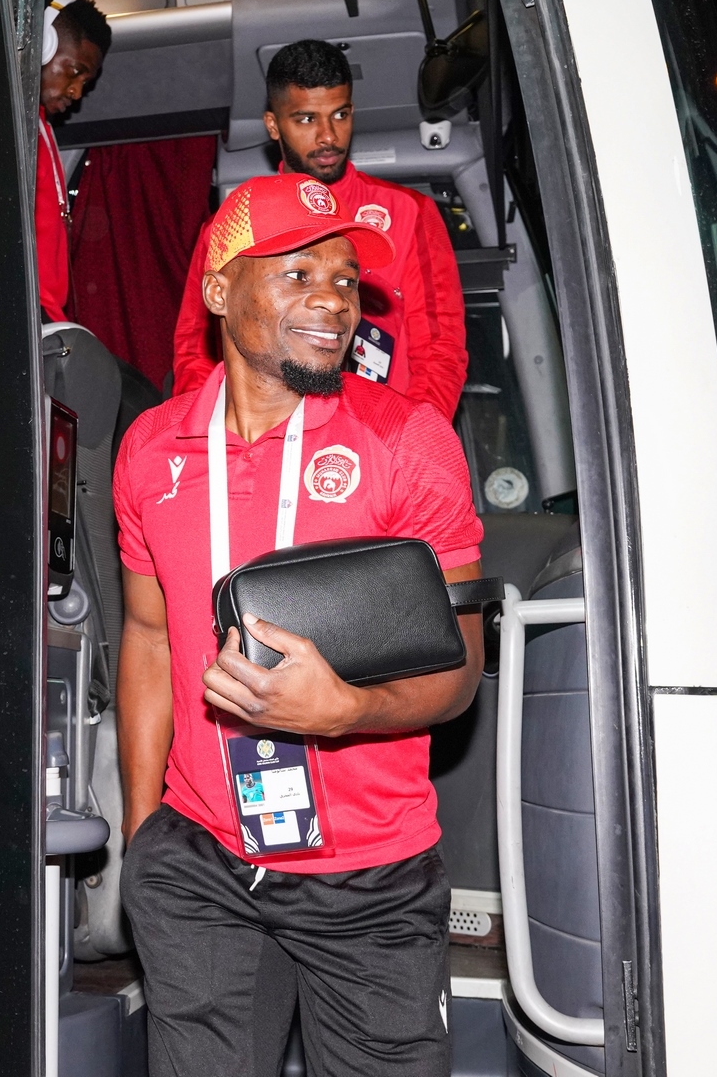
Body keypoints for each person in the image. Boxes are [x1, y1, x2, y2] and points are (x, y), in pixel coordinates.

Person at [115, 173, 485, 1076]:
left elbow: (463, 668)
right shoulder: (151, 449)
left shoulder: (409, 441)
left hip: (371, 877)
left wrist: (346, 711)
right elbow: (150, 639)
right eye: (299, 275)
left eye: (346, 280)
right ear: (219, 290)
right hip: (200, 864)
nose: (333, 301)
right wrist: (142, 834)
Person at [172, 39, 469, 420]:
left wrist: (412, 439)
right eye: (307, 119)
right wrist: (213, 444)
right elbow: (195, 353)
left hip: (377, 436)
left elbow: (440, 352)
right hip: (267, 440)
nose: (328, 136)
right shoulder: (232, 226)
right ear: (273, 125)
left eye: (340, 115)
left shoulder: (408, 213)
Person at [37, 0, 111, 322]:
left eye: (85, 83)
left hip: (46, 315)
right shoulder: (15, 131)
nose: (76, 93)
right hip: (31, 310)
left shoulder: (40, 130)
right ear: (43, 45)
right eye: (74, 72)